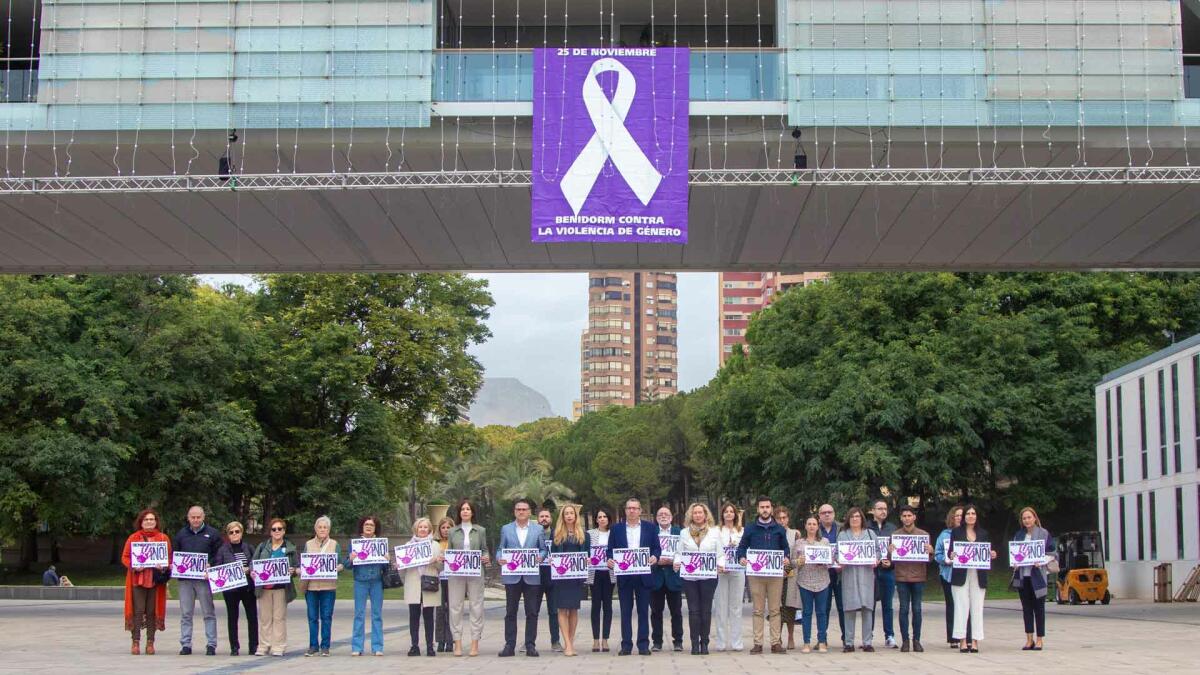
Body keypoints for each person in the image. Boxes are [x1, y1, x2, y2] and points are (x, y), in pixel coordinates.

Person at [735, 495, 792, 655]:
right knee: (757, 610)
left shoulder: (779, 529)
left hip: (775, 574)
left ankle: (775, 643)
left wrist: (786, 557)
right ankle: (758, 643)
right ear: (758, 509)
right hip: (756, 575)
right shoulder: (750, 528)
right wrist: (741, 558)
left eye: (767, 507)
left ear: (771, 509)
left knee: (775, 609)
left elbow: (785, 548)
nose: (765, 510)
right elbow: (741, 547)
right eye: (762, 507)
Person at [606, 496, 662, 656]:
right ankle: (626, 645)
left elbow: (657, 549)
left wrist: (655, 557)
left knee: (643, 611)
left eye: (635, 508)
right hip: (624, 575)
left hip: (644, 575)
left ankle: (643, 645)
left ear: (640, 511)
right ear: (625, 510)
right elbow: (610, 550)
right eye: (629, 508)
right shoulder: (616, 529)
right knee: (625, 612)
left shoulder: (650, 528)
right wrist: (609, 559)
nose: (632, 510)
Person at [497, 497, 548, 657]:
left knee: (532, 612)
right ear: (514, 511)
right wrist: (499, 558)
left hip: (531, 576)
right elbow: (501, 548)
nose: (521, 511)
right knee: (510, 612)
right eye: (518, 509)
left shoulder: (538, 529)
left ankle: (530, 645)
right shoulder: (506, 529)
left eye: (524, 509)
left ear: (529, 512)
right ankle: (509, 645)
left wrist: (541, 557)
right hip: (512, 576)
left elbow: (543, 549)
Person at [674, 502, 722, 655]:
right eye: (695, 513)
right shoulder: (684, 533)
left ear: (705, 514)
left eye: (700, 512)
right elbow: (679, 553)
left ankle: (705, 643)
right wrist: (676, 562)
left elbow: (720, 554)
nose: (698, 515)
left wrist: (720, 564)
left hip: (708, 576)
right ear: (691, 515)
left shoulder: (714, 532)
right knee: (693, 610)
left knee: (706, 610)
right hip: (690, 578)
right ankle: (695, 643)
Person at [122, 508, 171, 655]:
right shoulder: (133, 538)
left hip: (155, 580)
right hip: (138, 580)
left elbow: (169, 558)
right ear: (141, 522)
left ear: (156, 522)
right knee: (137, 610)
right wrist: (134, 566)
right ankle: (135, 641)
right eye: (146, 519)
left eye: (152, 519)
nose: (149, 522)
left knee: (152, 611)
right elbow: (125, 557)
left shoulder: (163, 538)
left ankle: (150, 642)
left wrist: (163, 566)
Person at [174, 505, 222, 656]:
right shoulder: (181, 534)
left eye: (198, 517)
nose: (195, 520)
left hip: (204, 579)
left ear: (203, 517)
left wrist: (211, 565)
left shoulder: (213, 534)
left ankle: (211, 644)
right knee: (186, 613)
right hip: (185, 580)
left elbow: (219, 554)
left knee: (208, 612)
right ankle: (186, 644)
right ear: (188, 518)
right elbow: (175, 554)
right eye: (192, 517)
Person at [950, 504, 997, 653]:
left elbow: (987, 552)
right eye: (968, 513)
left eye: (973, 513)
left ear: (976, 516)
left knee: (977, 608)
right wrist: (952, 555)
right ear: (964, 517)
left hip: (978, 574)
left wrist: (992, 554)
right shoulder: (956, 532)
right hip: (961, 574)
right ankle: (962, 640)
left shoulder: (983, 533)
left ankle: (975, 641)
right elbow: (951, 551)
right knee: (961, 607)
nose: (971, 516)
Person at [447, 498, 490, 657]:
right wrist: (446, 559)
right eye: (462, 509)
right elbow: (449, 552)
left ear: (472, 512)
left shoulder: (480, 530)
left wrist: (486, 557)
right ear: (459, 512)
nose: (465, 511)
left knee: (476, 606)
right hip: (456, 574)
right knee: (455, 607)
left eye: (468, 509)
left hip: (475, 572)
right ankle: (457, 643)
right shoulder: (452, 531)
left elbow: (484, 550)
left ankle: (474, 643)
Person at [253, 517, 298, 657]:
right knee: (265, 618)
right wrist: (254, 572)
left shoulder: (290, 548)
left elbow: (296, 566)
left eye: (280, 529)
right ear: (270, 531)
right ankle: (263, 645)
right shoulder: (262, 546)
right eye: (274, 529)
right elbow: (253, 563)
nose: (277, 531)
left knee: (279, 618)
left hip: (281, 588)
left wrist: (293, 571)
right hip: (265, 588)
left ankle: (279, 646)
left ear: (284, 531)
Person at [891, 506, 933, 652]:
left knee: (917, 609)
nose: (907, 518)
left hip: (918, 576)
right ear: (901, 518)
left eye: (909, 515)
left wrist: (930, 552)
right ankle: (905, 640)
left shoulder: (923, 535)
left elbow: (929, 559)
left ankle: (916, 640)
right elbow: (891, 559)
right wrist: (890, 552)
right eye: (904, 516)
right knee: (903, 609)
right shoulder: (895, 535)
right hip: (901, 576)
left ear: (914, 517)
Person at [550, 503, 590, 656]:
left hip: (576, 578)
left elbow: (588, 554)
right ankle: (566, 643)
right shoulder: (556, 533)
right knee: (562, 609)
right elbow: (553, 554)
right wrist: (552, 561)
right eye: (566, 513)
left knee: (573, 609)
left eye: (571, 513)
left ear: (575, 516)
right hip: (561, 578)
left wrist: (588, 560)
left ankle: (570, 643)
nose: (569, 515)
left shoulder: (584, 534)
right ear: (562, 516)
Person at [213, 521, 257, 656]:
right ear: (228, 534)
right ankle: (234, 647)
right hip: (231, 589)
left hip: (247, 587)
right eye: (231, 532)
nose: (234, 534)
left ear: (241, 533)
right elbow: (217, 567)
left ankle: (253, 646)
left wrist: (249, 569)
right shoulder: (223, 549)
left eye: (237, 531)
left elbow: (255, 563)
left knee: (252, 617)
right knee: (232, 617)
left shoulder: (248, 548)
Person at [1012, 506, 1053, 651]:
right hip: (1024, 577)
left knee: (1039, 608)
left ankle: (1040, 639)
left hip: (1038, 577)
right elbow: (1014, 553)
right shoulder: (1019, 535)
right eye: (1024, 518)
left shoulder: (1044, 533)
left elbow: (1053, 553)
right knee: (1026, 609)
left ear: (1034, 518)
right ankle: (1029, 639)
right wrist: (1015, 563)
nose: (1027, 520)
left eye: (1029, 517)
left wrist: (1041, 560)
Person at [838, 506, 878, 652]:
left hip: (866, 574)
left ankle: (867, 642)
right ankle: (848, 642)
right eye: (852, 516)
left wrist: (876, 560)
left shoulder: (870, 534)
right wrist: (839, 560)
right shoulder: (843, 535)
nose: (855, 519)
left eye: (858, 516)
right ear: (848, 519)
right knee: (849, 608)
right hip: (849, 574)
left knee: (867, 608)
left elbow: (878, 551)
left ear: (862, 519)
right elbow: (837, 552)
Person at [400, 517, 441, 657]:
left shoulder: (435, 545)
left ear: (430, 529)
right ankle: (414, 646)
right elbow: (402, 569)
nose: (423, 529)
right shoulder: (408, 545)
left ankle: (430, 646)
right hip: (413, 584)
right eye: (420, 527)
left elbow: (441, 567)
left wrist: (436, 561)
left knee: (429, 616)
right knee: (414, 616)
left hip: (430, 583)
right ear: (416, 529)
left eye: (425, 527)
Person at [300, 516, 339, 657]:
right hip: (311, 587)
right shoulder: (308, 544)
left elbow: (340, 563)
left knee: (326, 617)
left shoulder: (334, 544)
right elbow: (303, 563)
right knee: (312, 617)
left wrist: (334, 567)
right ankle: (313, 646)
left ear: (329, 529)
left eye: (325, 527)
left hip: (328, 587)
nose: (322, 529)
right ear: (315, 529)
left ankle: (325, 646)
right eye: (320, 527)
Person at [348, 516, 387, 657]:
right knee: (359, 614)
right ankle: (357, 646)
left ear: (375, 528)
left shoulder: (380, 544)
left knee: (377, 614)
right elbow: (348, 565)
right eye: (366, 524)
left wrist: (386, 559)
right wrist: (351, 559)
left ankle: (377, 646)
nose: (369, 527)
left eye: (371, 525)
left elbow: (385, 567)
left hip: (376, 581)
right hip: (360, 581)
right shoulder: (355, 544)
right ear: (362, 527)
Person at [794, 515, 831, 653]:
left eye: (814, 524)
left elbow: (830, 560)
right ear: (805, 526)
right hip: (805, 581)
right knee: (807, 612)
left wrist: (825, 560)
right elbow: (792, 562)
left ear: (818, 526)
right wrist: (799, 561)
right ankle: (806, 642)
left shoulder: (825, 541)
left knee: (821, 612)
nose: (811, 526)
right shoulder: (799, 542)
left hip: (822, 581)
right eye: (809, 524)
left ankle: (822, 641)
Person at [934, 505, 970, 649]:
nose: (960, 518)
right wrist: (946, 559)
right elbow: (937, 554)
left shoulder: (971, 533)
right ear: (951, 518)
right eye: (957, 516)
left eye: (962, 515)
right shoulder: (944, 535)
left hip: (967, 574)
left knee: (967, 605)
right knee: (952, 605)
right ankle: (953, 637)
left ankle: (967, 635)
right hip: (948, 574)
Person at [650, 505, 684, 652]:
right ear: (656, 518)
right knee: (656, 612)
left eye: (666, 514)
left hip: (673, 576)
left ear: (671, 517)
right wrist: (655, 560)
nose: (663, 516)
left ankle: (678, 641)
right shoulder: (651, 532)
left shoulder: (680, 532)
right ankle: (657, 642)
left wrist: (674, 561)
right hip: (656, 576)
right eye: (660, 514)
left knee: (676, 612)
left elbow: (684, 552)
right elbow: (647, 551)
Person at [713, 502, 745, 652]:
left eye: (731, 511)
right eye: (726, 511)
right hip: (721, 571)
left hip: (738, 571)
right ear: (722, 514)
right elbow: (713, 550)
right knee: (720, 606)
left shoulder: (742, 531)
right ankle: (720, 642)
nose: (729, 514)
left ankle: (737, 642)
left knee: (736, 606)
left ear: (735, 514)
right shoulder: (715, 531)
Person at [868, 499, 898, 649]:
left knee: (888, 605)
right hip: (871, 571)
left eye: (885, 508)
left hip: (888, 570)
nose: (883, 511)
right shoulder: (867, 528)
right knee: (870, 605)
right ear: (873, 510)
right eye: (879, 508)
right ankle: (869, 635)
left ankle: (889, 635)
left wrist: (891, 562)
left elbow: (898, 550)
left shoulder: (892, 528)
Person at [587, 507, 615, 653]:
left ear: (609, 519)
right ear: (596, 519)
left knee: (608, 606)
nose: (602, 519)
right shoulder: (590, 534)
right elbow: (585, 550)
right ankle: (595, 640)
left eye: (605, 516)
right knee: (595, 606)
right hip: (595, 573)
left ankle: (605, 639)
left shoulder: (614, 533)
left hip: (610, 573)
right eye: (599, 517)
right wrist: (586, 558)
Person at [817, 503, 845, 645]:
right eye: (824, 513)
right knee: (823, 607)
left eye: (830, 512)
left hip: (840, 573)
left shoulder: (843, 528)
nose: (827, 514)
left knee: (843, 606)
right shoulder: (815, 529)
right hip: (823, 573)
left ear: (834, 514)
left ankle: (846, 638)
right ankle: (822, 639)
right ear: (819, 515)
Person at [536, 507, 562, 652]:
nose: (544, 518)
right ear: (537, 519)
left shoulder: (557, 534)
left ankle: (555, 641)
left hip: (553, 577)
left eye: (547, 516)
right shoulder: (532, 534)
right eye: (541, 516)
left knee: (554, 611)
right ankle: (529, 641)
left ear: (551, 519)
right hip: (536, 577)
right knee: (533, 611)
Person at [776, 506, 801, 650]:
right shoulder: (772, 533)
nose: (782, 520)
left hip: (790, 574)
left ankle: (791, 636)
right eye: (779, 518)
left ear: (788, 519)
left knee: (790, 606)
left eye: (784, 518)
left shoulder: (794, 534)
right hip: (774, 574)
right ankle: (777, 637)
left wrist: (787, 569)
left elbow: (795, 555)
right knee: (777, 607)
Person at [434, 516, 455, 653]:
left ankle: (451, 640)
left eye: (448, 527)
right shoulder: (435, 543)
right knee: (440, 610)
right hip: (439, 579)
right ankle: (440, 640)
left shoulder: (456, 542)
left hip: (453, 579)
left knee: (452, 610)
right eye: (443, 528)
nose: (446, 530)